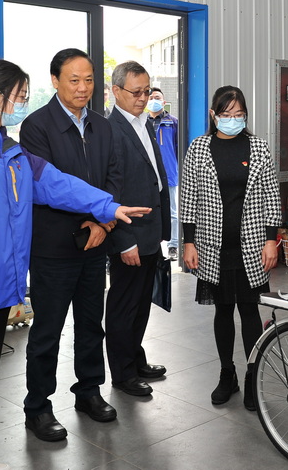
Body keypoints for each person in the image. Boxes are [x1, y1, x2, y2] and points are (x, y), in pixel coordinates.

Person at [0, 59, 149, 470]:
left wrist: (108, 206)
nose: (23, 103)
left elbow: (55, 183)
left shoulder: (6, 147)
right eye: (19, 96)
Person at [21, 49, 122, 440]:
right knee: (47, 330)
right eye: (74, 80)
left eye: (89, 80)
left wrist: (102, 223)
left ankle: (89, 391)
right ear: (55, 81)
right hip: (53, 249)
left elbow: (114, 177)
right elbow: (47, 187)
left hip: (95, 245)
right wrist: (92, 218)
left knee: (91, 325)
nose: (83, 88)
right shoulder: (36, 126)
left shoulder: (103, 126)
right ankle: (38, 406)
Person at [180, 86, 281, 410]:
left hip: (251, 245)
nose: (233, 120)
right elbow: (188, 197)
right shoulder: (199, 148)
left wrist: (271, 239)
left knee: (250, 311)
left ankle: (252, 376)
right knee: (223, 309)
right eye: (226, 115)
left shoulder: (258, 147)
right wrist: (188, 242)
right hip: (212, 246)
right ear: (214, 115)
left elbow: (271, 196)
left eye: (239, 115)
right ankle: (228, 374)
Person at [105, 61, 171, 397]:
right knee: (124, 305)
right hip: (129, 234)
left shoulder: (144, 123)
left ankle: (135, 358)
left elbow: (155, 176)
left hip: (149, 231)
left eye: (146, 91)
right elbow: (110, 192)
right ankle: (122, 373)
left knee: (142, 302)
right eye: (136, 92)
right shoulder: (110, 130)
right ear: (116, 91)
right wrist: (124, 240)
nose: (143, 98)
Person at [147, 87, 180, 262]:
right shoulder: (142, 122)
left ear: (164, 102)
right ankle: (153, 246)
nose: (154, 100)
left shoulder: (172, 122)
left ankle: (173, 245)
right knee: (149, 210)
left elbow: (178, 148)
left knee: (172, 211)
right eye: (151, 97)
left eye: (157, 97)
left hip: (169, 173)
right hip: (148, 175)